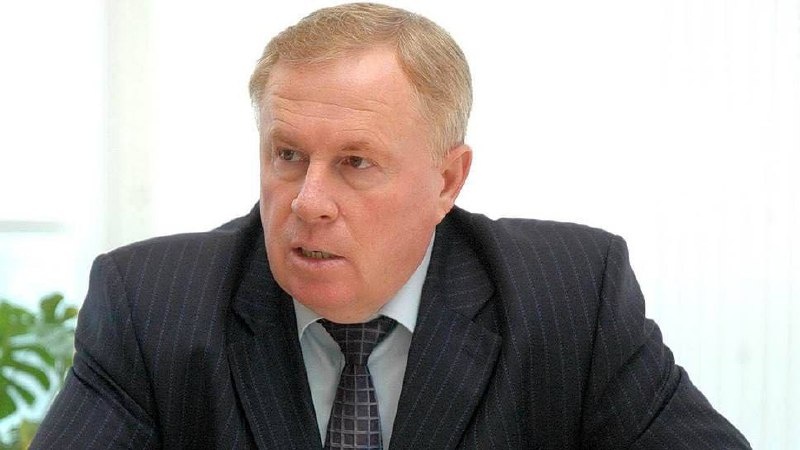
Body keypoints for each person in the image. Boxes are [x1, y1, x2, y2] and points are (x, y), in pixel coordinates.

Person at [32, 3, 750, 449]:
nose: (309, 201)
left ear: (447, 180)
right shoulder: (153, 305)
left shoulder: (568, 298)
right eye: (288, 156)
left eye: (355, 163)